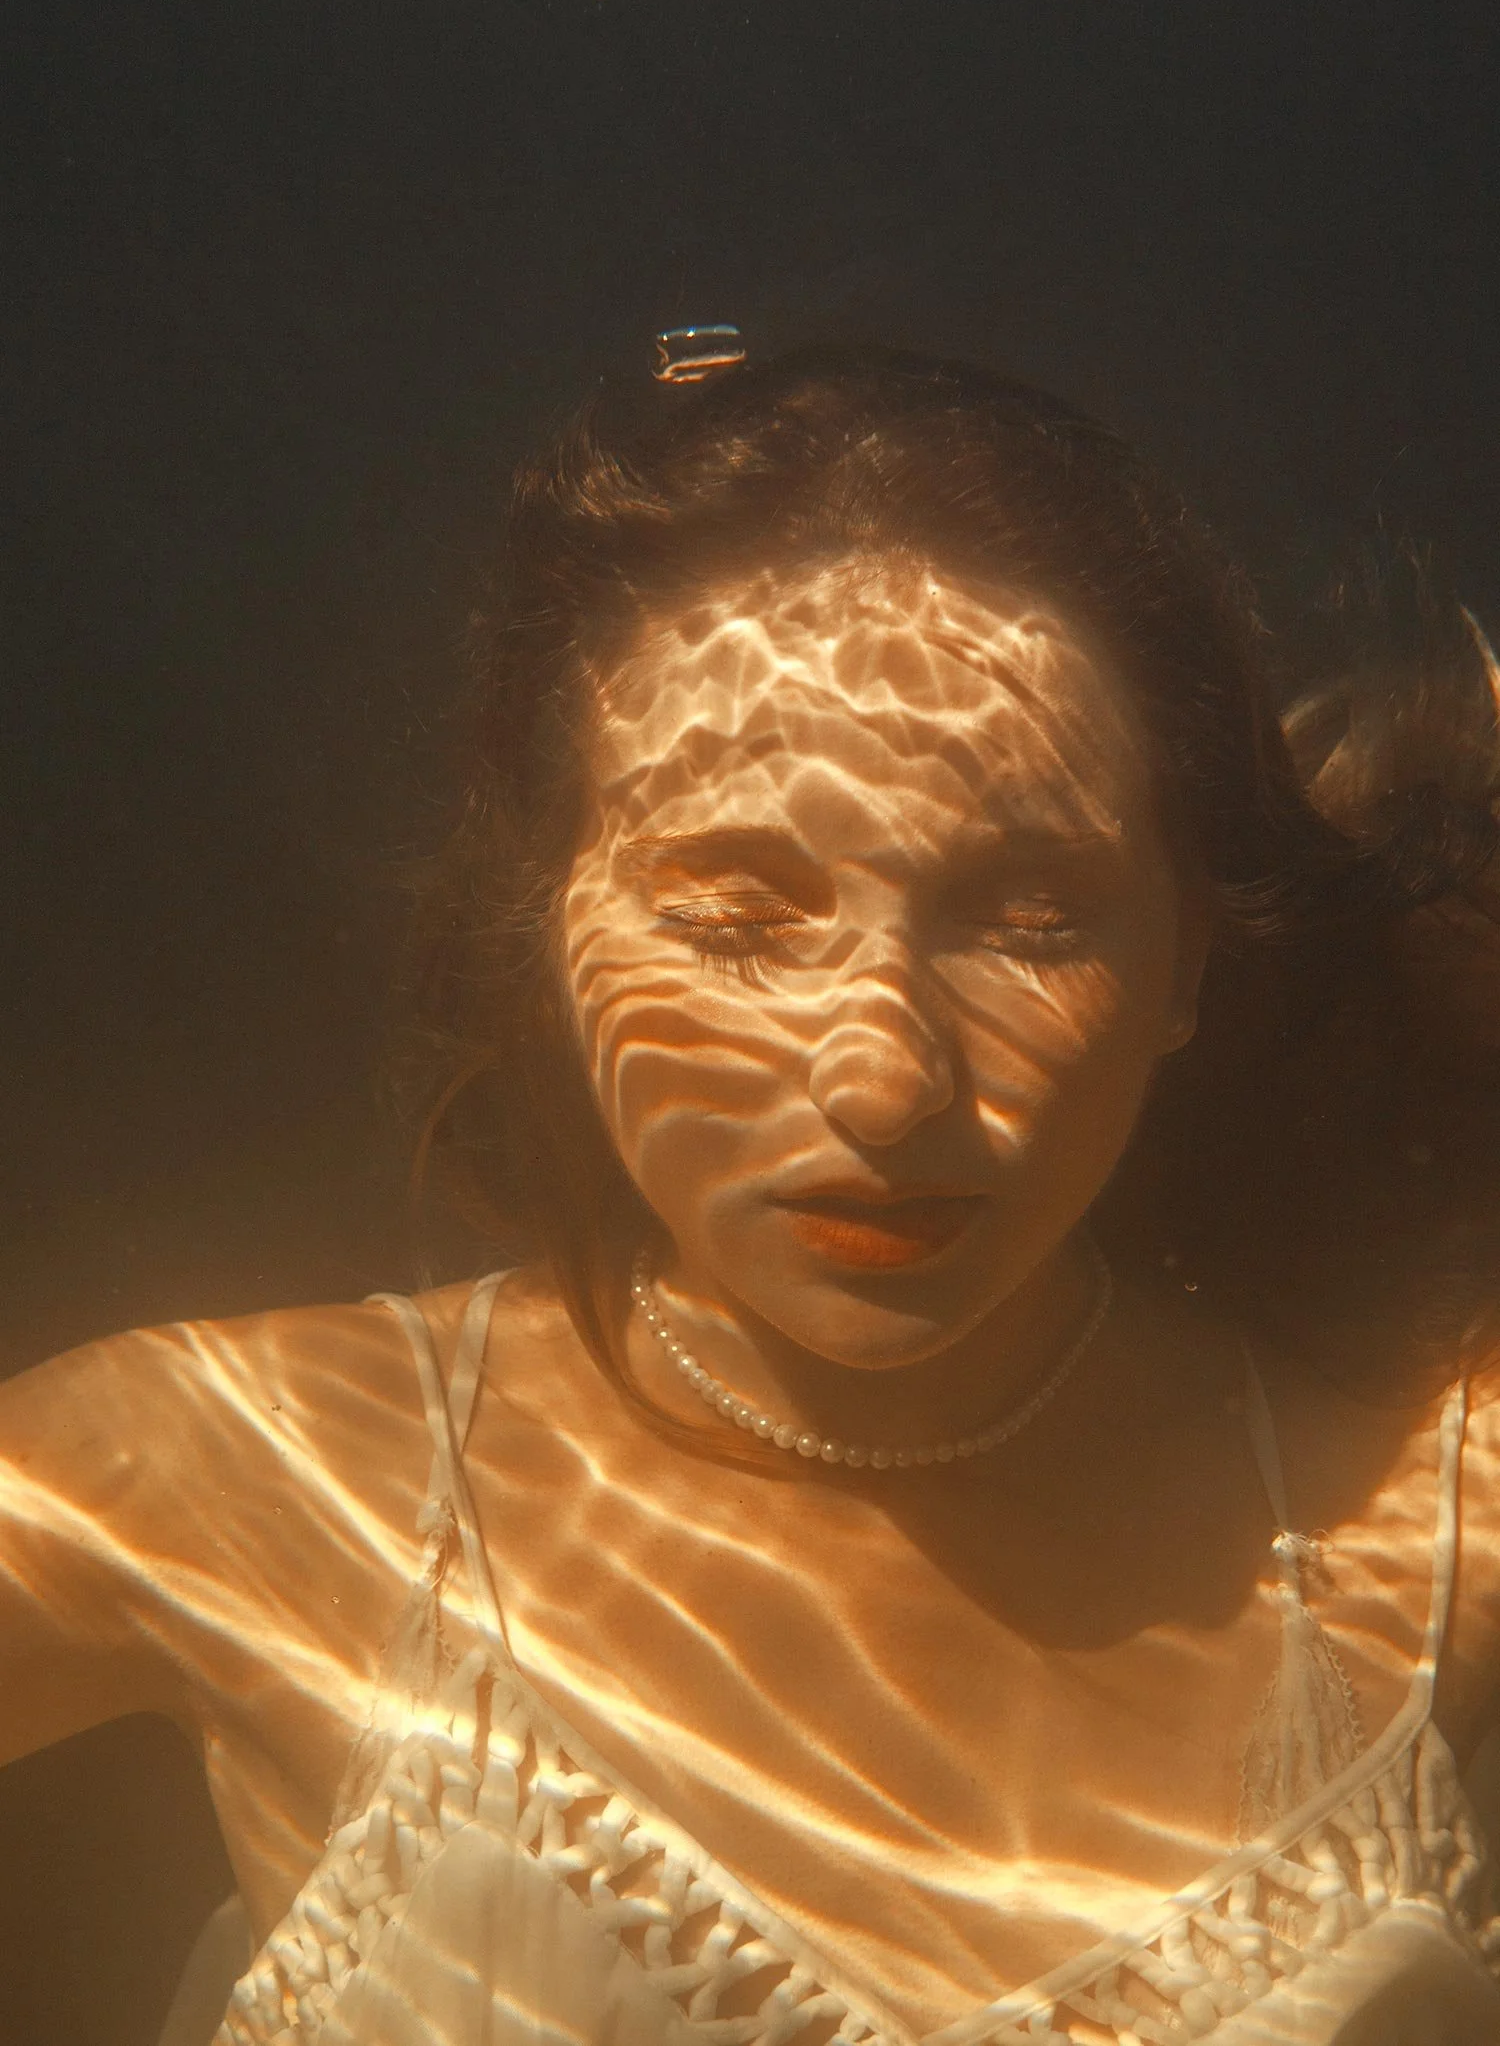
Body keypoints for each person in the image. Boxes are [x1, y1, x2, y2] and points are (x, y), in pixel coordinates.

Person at [5, 343, 1500, 2046]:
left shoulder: (1439, 1515)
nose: (884, 1078)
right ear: (545, 926)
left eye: (1031, 919)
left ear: (1190, 964)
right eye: (734, 914)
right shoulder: (230, 1470)